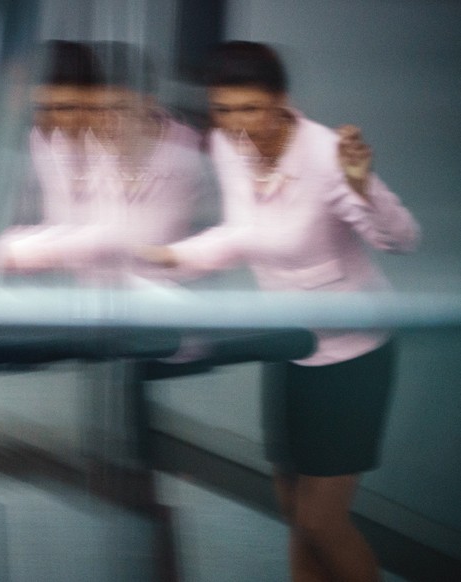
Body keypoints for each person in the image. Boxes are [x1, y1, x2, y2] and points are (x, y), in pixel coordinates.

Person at [141, 41, 418, 581]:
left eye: (251, 108)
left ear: (281, 102)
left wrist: (363, 187)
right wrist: (166, 258)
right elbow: (241, 234)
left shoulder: (326, 156)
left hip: (352, 355)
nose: (238, 123)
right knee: (294, 512)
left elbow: (401, 240)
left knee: (322, 520)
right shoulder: (228, 145)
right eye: (224, 109)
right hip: (290, 343)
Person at [0, 40, 205, 281]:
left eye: (121, 108)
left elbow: (131, 242)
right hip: (81, 297)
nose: (107, 120)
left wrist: (13, 251)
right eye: (97, 109)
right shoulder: (53, 140)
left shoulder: (184, 153)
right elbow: (66, 228)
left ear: (148, 103)